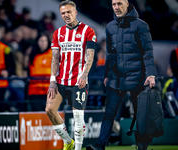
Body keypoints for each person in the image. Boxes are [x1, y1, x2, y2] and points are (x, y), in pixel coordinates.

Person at [86, 0, 156, 150]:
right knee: (109, 114)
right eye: (113, 4)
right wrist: (106, 75)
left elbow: (148, 53)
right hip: (115, 78)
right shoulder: (110, 27)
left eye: (119, 3)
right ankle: (100, 146)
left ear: (127, 3)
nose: (116, 7)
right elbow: (109, 54)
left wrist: (151, 74)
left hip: (138, 77)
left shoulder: (141, 25)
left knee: (140, 114)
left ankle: (142, 147)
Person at [45, 1, 96, 150]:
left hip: (78, 81)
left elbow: (90, 55)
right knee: (49, 110)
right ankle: (68, 141)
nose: (66, 15)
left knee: (78, 118)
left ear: (75, 12)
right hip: (60, 81)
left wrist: (84, 74)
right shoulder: (58, 33)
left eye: (68, 12)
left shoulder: (88, 31)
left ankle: (78, 148)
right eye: (63, 13)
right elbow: (55, 58)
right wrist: (52, 81)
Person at [26, 34, 52, 111]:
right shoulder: (32, 55)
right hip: (35, 91)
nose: (43, 43)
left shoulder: (54, 54)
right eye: (41, 41)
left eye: (45, 41)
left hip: (50, 91)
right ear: (37, 42)